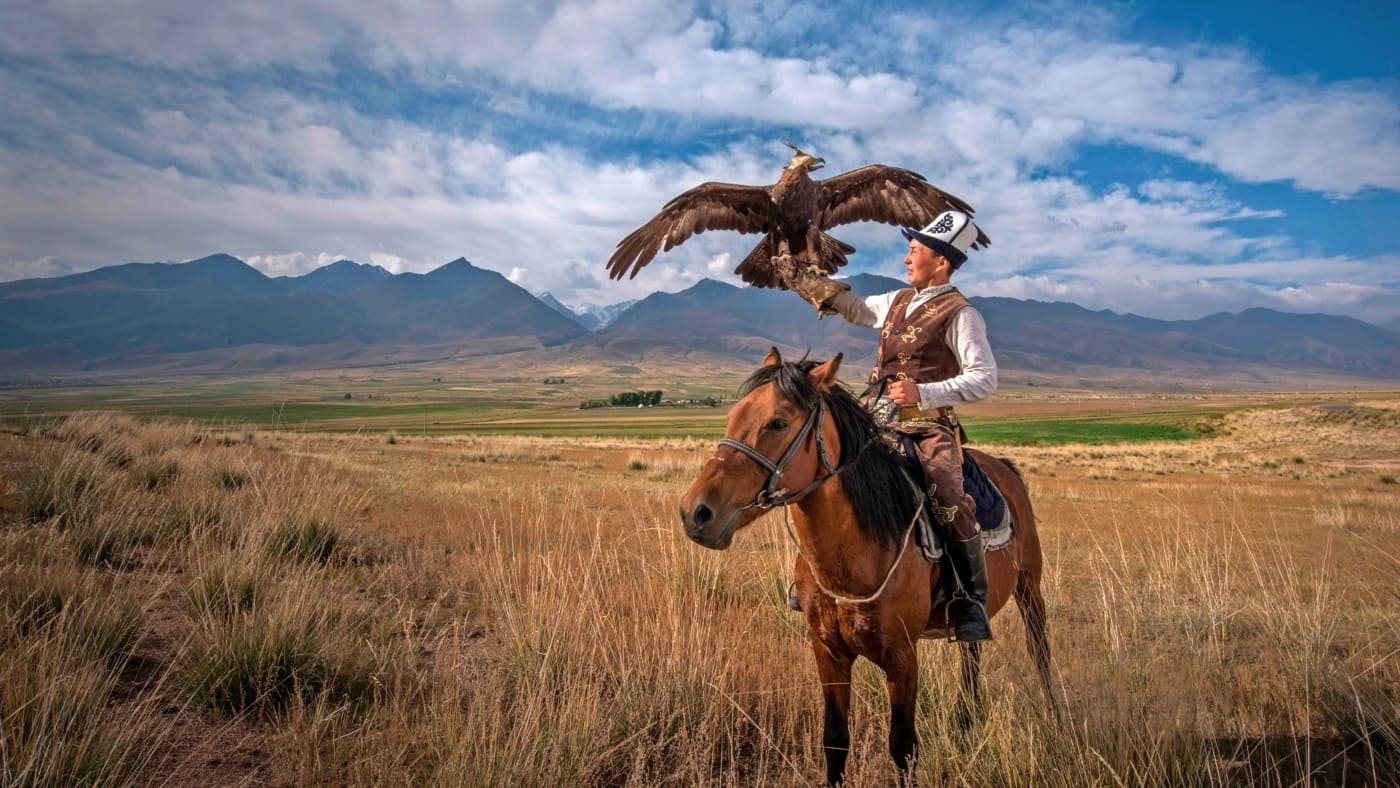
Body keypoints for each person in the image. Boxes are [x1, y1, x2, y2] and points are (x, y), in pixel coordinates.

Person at [782, 210, 996, 641]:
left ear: (942, 262)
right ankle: (813, 579)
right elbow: (856, 308)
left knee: (947, 492)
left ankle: (970, 598)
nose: (906, 258)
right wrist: (808, 282)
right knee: (823, 471)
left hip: (927, 426)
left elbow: (985, 377)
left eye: (915, 251)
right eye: (908, 250)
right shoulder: (897, 300)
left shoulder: (961, 313)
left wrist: (925, 393)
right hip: (874, 421)